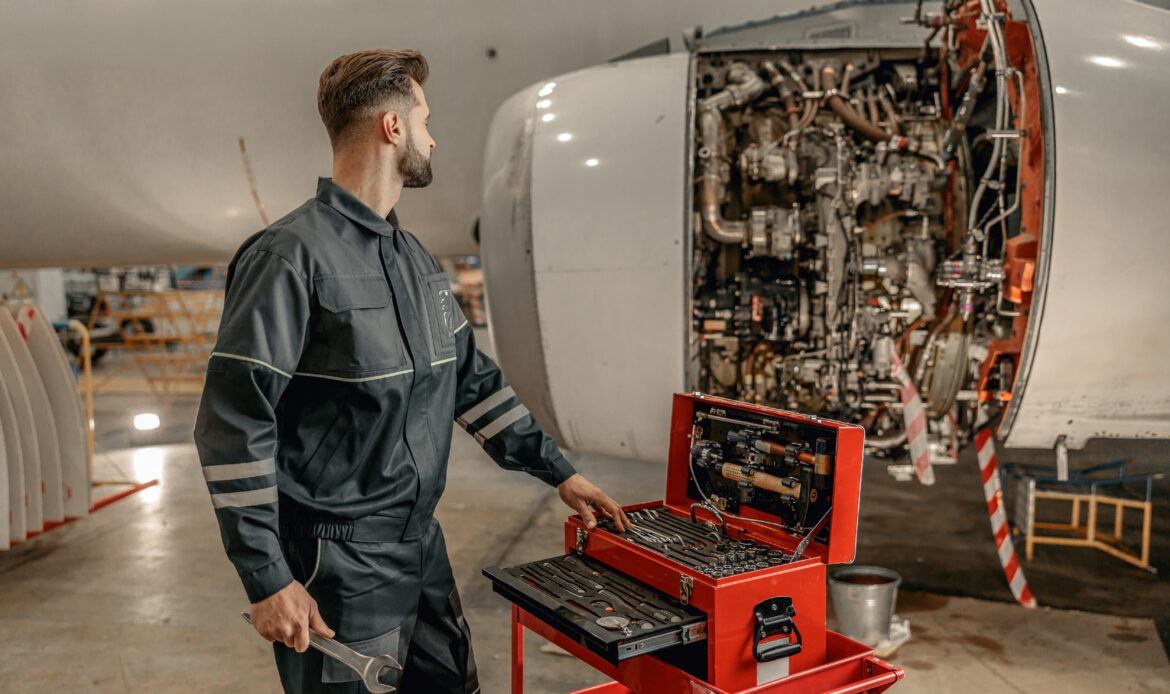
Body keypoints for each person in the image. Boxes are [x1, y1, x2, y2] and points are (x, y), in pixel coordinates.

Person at [194, 49, 630, 694]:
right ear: (392, 128)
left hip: (419, 544)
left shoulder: (412, 258)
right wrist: (268, 578)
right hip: (335, 560)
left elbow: (470, 381)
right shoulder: (288, 258)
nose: (433, 135)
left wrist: (560, 473)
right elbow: (234, 424)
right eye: (424, 118)